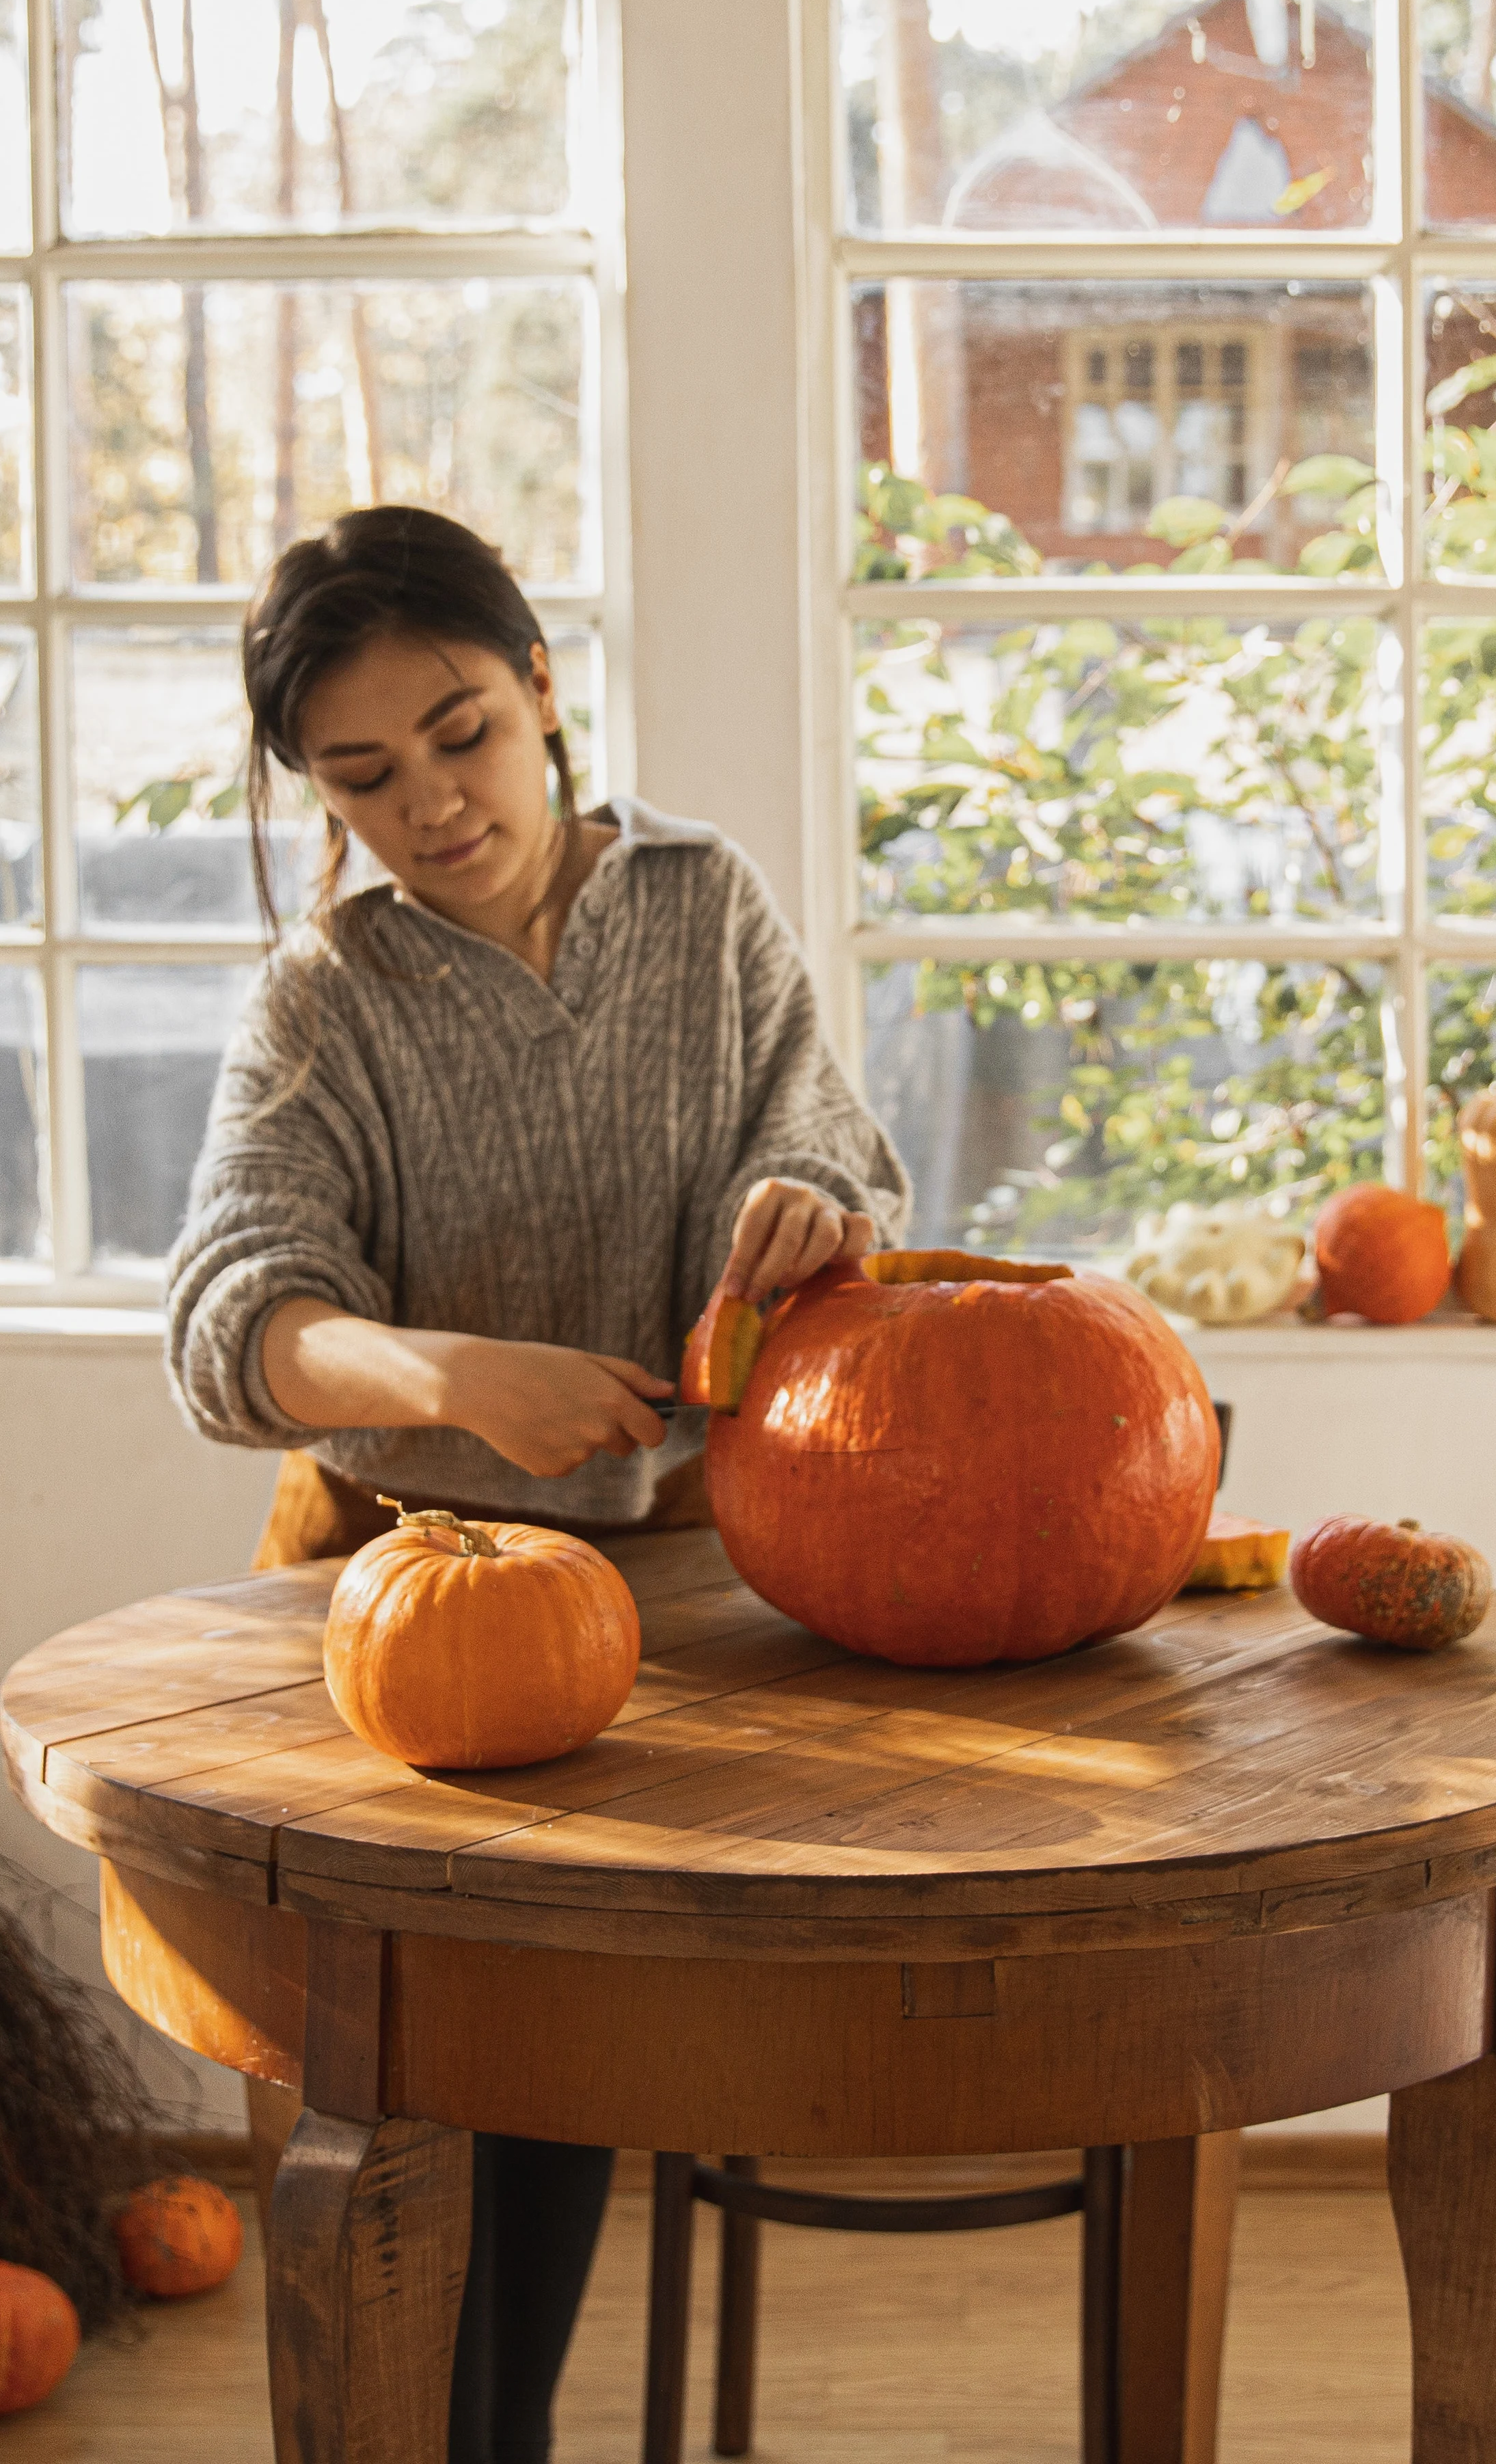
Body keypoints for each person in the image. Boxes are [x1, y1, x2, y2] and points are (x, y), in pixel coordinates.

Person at [163, 504, 910, 2463]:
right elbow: (230, 1321)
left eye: (464, 729)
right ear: (310, 791)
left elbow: (847, 1159)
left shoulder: (706, 905)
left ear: (547, 690)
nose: (434, 803)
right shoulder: (323, 1000)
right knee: (398, 2105)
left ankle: (501, 2439)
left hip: (664, 1593)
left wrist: (809, 1206)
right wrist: (447, 1377)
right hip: (385, 1599)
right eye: (363, 775)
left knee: (552, 2069)